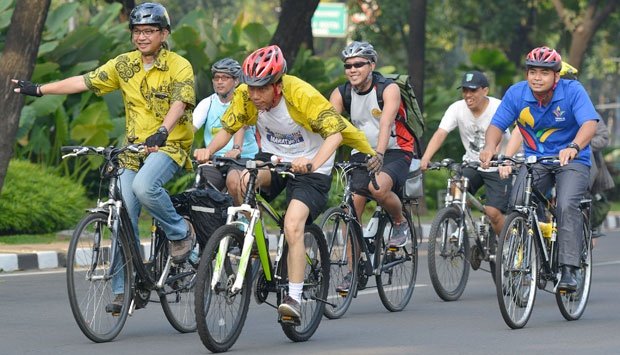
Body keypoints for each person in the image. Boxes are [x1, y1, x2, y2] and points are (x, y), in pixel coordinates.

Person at [13, 2, 196, 312]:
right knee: (122, 216)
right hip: (133, 150)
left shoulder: (180, 65)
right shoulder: (124, 65)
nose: (142, 37)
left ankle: (181, 234)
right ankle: (124, 291)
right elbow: (84, 81)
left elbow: (180, 103)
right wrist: (39, 89)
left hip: (169, 146)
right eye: (137, 31)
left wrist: (163, 132)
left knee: (144, 187)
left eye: (149, 31)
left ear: (164, 34)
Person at [193, 45, 375, 321]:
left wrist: (312, 163)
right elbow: (229, 129)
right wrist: (208, 151)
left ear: (277, 85)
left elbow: (335, 136)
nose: (254, 95)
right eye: (251, 87)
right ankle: (251, 239)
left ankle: (294, 297)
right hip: (274, 160)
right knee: (236, 179)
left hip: (312, 166)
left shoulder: (301, 94)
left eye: (262, 88)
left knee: (292, 225)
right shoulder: (245, 96)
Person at [480, 46, 599, 292]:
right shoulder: (516, 93)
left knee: (566, 205)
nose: (537, 77)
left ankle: (568, 269)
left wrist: (574, 147)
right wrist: (490, 148)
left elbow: (589, 123)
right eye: (532, 72)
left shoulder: (572, 91)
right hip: (537, 161)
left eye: (544, 73)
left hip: (572, 160)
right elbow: (497, 126)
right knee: (517, 203)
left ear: (556, 76)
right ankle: (532, 251)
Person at [327, 41, 415, 292]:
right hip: (361, 152)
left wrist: (379, 153)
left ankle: (399, 221)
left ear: (371, 65)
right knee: (351, 212)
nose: (352, 69)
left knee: (377, 188)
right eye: (348, 66)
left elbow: (386, 123)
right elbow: (330, 127)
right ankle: (354, 272)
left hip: (396, 150)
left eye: (358, 64)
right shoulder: (341, 93)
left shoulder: (388, 89)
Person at [420, 70, 511, 237]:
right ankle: (463, 232)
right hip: (472, 163)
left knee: (493, 213)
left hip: (498, 167)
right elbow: (441, 133)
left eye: (473, 90)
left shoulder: (498, 107)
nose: (468, 95)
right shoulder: (457, 108)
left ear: (485, 90)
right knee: (456, 188)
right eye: (465, 90)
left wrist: (493, 157)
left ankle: (506, 246)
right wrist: (426, 158)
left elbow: (499, 136)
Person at [192, 58, 259, 204]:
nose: (219, 81)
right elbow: (191, 128)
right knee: (201, 190)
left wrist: (236, 148)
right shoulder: (207, 103)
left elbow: (238, 126)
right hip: (215, 159)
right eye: (216, 78)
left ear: (236, 81)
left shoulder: (245, 101)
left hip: (243, 158)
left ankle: (246, 221)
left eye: (225, 77)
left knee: (235, 183)